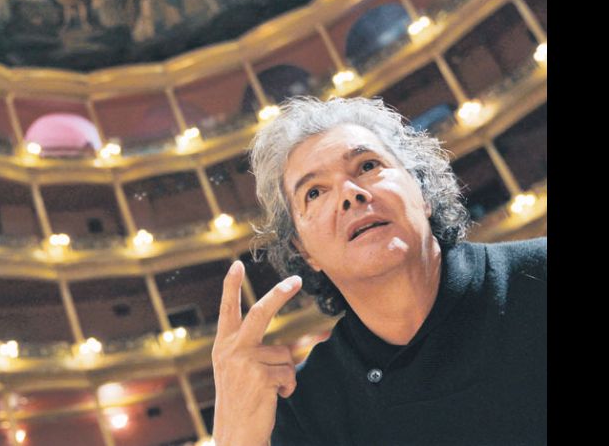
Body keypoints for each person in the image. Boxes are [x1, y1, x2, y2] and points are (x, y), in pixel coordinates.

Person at [211, 96, 546, 445]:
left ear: (422, 190)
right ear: (303, 250)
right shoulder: (306, 411)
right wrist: (235, 436)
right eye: (314, 192)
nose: (349, 194)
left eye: (368, 166)